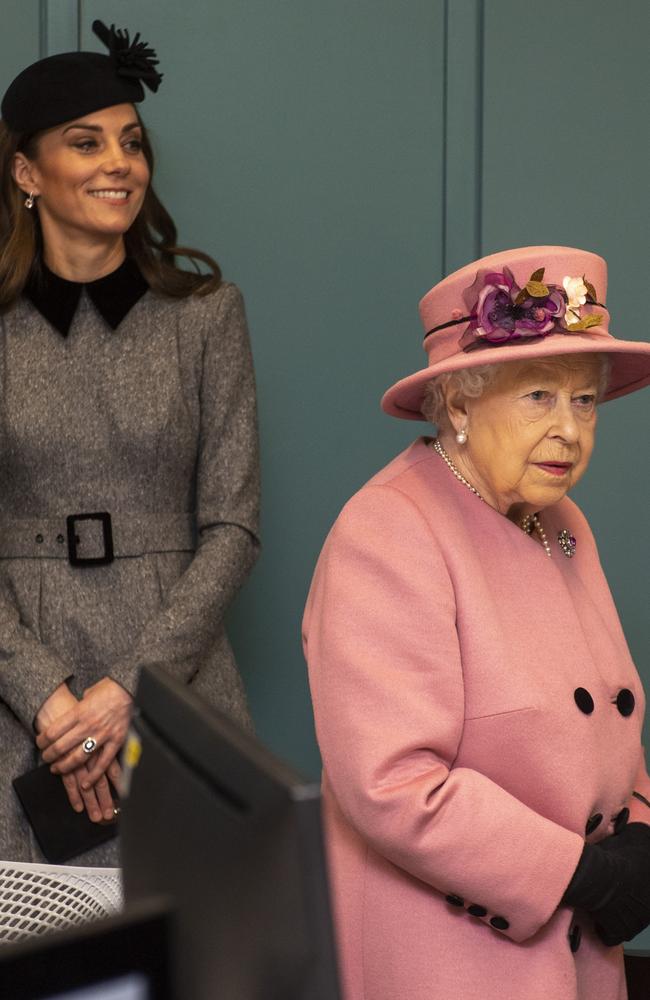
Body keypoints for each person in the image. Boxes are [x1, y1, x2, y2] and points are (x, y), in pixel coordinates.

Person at [303, 246, 650, 1000]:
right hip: (454, 958)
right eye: (537, 397)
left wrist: (643, 830)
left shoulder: (561, 520)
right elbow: (392, 783)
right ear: (460, 403)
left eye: (583, 401)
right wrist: (579, 872)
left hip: (582, 950)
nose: (568, 430)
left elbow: (605, 716)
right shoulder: (388, 531)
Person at [0, 21, 259, 865]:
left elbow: (234, 527)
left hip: (175, 676)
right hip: (19, 695)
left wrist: (127, 691)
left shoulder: (207, 316)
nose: (120, 163)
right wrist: (44, 698)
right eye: (87, 142)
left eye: (132, 143)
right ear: (27, 172)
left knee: (200, 952)